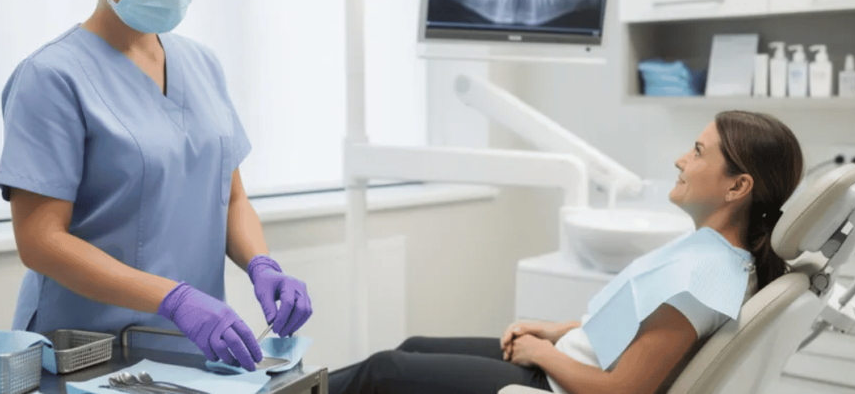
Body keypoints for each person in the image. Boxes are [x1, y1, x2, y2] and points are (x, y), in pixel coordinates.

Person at [329, 110, 804, 393]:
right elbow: (642, 325)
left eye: (698, 152)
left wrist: (542, 351)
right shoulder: (715, 256)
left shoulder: (705, 278)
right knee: (410, 349)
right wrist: (556, 331)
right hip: (566, 363)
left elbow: (622, 391)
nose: (681, 159)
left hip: (557, 386)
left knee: (383, 372)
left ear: (738, 186)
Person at [0, 0, 312, 372]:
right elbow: (40, 240)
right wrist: (173, 298)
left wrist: (261, 265)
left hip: (196, 353)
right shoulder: (50, 77)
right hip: (93, 355)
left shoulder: (203, 66)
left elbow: (231, 197)